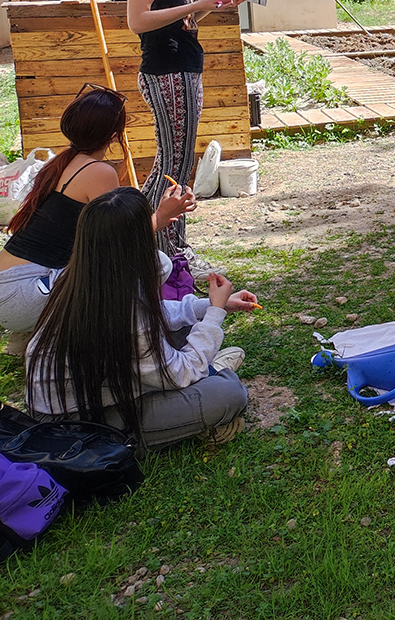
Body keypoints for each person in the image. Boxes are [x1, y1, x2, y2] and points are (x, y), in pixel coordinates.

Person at [26, 187, 253, 448]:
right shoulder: (124, 309)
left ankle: (207, 374)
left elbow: (157, 315)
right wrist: (215, 314)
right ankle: (211, 378)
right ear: (138, 243)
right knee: (228, 394)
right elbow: (179, 372)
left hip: (91, 392)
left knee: (186, 326)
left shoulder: (83, 274)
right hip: (72, 423)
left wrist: (211, 305)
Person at [0, 87, 195, 353]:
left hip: (12, 287)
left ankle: (33, 331)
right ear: (114, 136)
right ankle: (88, 336)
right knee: (155, 263)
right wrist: (162, 215)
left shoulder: (59, 163)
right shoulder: (99, 171)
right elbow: (122, 241)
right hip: (26, 291)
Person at [124, 0, 245, 259]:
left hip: (186, 67)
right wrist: (197, 4)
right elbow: (137, 20)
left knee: (173, 161)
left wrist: (216, 4)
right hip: (167, 70)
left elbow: (186, 20)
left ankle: (136, 237)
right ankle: (168, 248)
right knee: (175, 164)